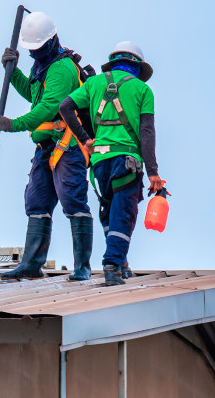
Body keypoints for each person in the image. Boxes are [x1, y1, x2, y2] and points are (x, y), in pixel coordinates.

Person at [0, 12, 93, 281]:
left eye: (36, 49)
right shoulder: (44, 66)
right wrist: (12, 72)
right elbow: (34, 95)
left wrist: (14, 124)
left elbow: (48, 108)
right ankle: (32, 264)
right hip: (46, 148)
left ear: (50, 41)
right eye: (30, 50)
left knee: (73, 201)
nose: (34, 54)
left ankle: (82, 267)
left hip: (67, 147)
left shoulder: (61, 68)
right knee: (37, 202)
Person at [58, 42, 165, 285]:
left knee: (109, 212)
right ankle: (112, 264)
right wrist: (153, 172)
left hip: (99, 165)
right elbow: (147, 133)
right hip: (127, 162)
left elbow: (65, 107)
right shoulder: (142, 90)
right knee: (123, 214)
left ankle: (120, 262)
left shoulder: (94, 84)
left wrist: (85, 139)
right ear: (137, 66)